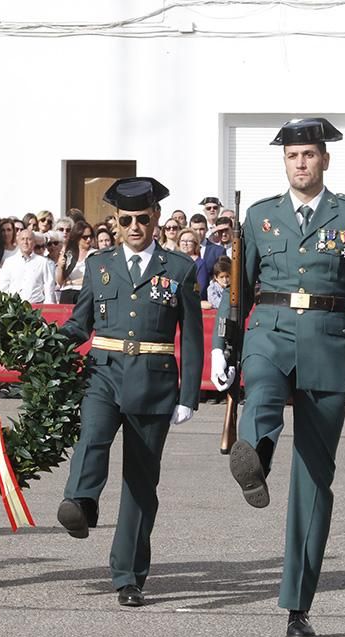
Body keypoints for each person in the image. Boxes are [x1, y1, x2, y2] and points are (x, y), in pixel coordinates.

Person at [210, 118, 345, 637]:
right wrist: (225, 344)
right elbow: (237, 290)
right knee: (262, 393)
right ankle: (256, 456)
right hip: (269, 330)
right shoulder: (261, 217)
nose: (302, 164)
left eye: (310, 155)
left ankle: (297, 605)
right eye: (293, 156)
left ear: (325, 160)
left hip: (329, 344)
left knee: (314, 478)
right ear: (284, 163)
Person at [56, 176, 203, 607]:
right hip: (104, 371)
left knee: (140, 482)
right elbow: (79, 323)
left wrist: (188, 395)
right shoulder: (100, 265)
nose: (135, 226)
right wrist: (43, 344)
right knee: (93, 437)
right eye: (126, 220)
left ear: (156, 218)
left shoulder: (179, 269)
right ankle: (80, 501)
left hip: (154, 381)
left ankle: (129, 575)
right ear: (116, 223)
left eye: (142, 218)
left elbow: (191, 337)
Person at [0, 228, 56, 304]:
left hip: (36, 306)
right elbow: (3, 286)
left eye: (29, 239)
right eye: (22, 239)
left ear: (34, 242)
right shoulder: (9, 262)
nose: (25, 242)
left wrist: (48, 307)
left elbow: (49, 286)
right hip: (14, 307)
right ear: (18, 242)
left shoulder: (43, 262)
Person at [56, 221, 94, 304]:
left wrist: (71, 282)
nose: (89, 240)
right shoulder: (68, 254)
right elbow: (60, 282)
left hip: (84, 294)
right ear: (77, 238)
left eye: (91, 236)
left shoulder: (94, 254)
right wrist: (60, 267)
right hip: (67, 295)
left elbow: (92, 278)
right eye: (85, 237)